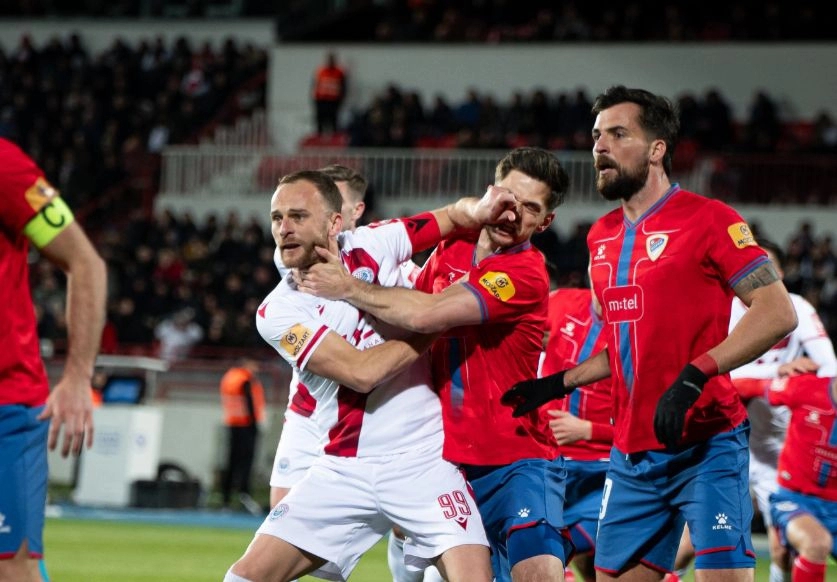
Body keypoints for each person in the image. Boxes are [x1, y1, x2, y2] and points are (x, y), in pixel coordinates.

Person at [501, 86, 798, 581]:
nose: (600, 147)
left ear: (657, 149)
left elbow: (776, 310)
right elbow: (623, 345)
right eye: (597, 136)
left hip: (707, 445)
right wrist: (558, 384)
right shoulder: (600, 238)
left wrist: (695, 375)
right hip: (632, 455)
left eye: (618, 134)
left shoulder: (711, 220)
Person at [225, 169, 517, 582]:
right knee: (243, 577)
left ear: (334, 223)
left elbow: (452, 216)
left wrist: (480, 207)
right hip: (344, 465)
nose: (284, 229)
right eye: (276, 218)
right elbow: (363, 373)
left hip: (423, 460)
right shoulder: (278, 312)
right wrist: (441, 315)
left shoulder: (374, 242)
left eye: (297, 216)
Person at [297, 146, 573, 582]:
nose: (511, 214)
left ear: (545, 222)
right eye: (507, 199)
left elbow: (425, 315)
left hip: (514, 458)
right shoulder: (452, 246)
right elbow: (403, 318)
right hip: (442, 462)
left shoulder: (526, 271)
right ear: (490, 193)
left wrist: (348, 286)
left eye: (530, 209)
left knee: (537, 572)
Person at [266, 164, 433, 582]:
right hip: (310, 414)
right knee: (286, 524)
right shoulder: (297, 264)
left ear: (350, 213)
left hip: (383, 412)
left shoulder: (389, 257)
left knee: (408, 525)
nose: (293, 224)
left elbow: (427, 297)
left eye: (323, 207)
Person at [672, 237, 837, 581]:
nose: (762, 275)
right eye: (754, 267)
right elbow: (715, 376)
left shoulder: (797, 309)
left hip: (781, 446)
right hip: (729, 439)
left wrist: (798, 389)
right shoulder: (726, 311)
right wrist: (774, 375)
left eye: (770, 268)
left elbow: (829, 372)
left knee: (783, 546)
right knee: (694, 538)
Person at [0, 137, 107, 582]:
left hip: (6, 406)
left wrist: (78, 375)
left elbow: (84, 262)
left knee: (13, 569)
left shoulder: (5, 166)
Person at [540, 287, 612, 582]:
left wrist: (588, 430)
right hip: (548, 463)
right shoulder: (561, 302)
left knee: (562, 553)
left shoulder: (641, 327)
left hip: (604, 471)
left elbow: (652, 427)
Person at [765, 373, 837, 582]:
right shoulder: (805, 388)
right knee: (814, 542)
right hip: (793, 498)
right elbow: (749, 386)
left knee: (784, 553)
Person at [220, 358, 266, 513]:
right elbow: (249, 402)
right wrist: (255, 424)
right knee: (246, 462)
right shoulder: (245, 379)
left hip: (232, 422)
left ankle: (225, 498)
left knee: (231, 462)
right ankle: (244, 495)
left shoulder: (229, 377)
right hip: (246, 425)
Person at [312, 51, 347, 135]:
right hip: (321, 100)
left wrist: (340, 100)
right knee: (320, 120)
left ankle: (334, 138)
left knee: (333, 120)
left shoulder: (339, 72)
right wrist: (316, 100)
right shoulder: (320, 71)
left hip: (333, 101)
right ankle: (319, 137)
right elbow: (315, 85)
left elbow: (343, 87)